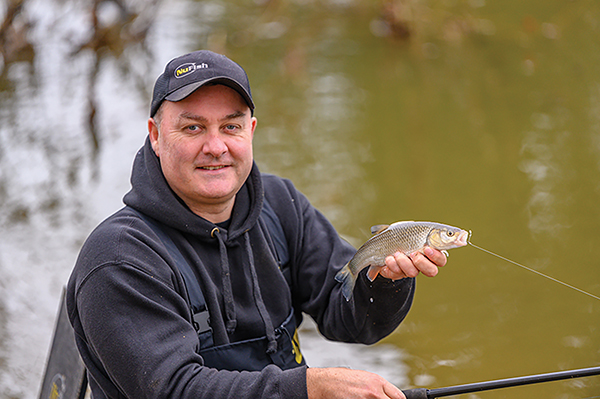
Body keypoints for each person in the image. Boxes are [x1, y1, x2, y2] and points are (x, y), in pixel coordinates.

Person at [66, 50, 448, 399]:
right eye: (193, 128)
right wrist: (309, 387)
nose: (215, 146)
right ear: (155, 135)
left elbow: (350, 321)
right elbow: (173, 389)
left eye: (230, 127)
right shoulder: (118, 258)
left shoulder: (281, 205)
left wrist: (382, 281)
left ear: (250, 131)